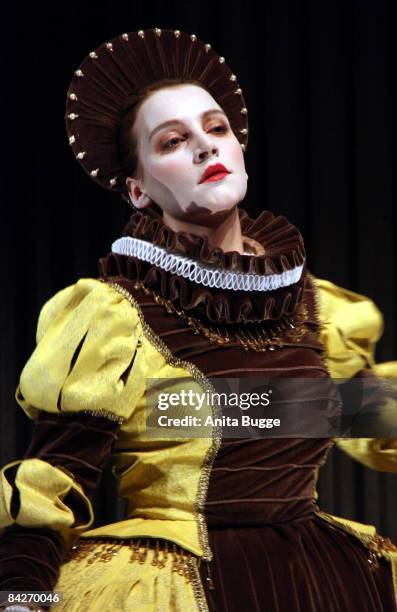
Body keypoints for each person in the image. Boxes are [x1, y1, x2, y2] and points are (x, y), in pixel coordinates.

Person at [0, 27, 396, 612]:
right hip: (179, 589)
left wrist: (328, 405)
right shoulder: (115, 315)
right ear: (137, 190)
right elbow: (49, 486)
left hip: (322, 580)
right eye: (172, 141)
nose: (207, 147)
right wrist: (22, 600)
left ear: (239, 149)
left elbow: (366, 415)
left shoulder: (314, 307)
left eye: (217, 129)